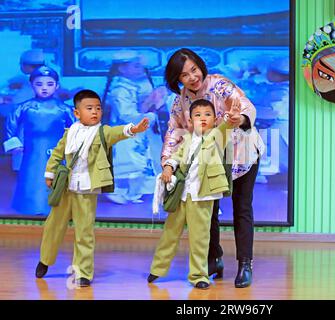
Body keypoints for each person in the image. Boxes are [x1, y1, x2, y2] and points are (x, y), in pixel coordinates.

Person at [162, 48, 265, 288]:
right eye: (184, 75)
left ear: (200, 67)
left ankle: (245, 265)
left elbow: (246, 106)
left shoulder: (219, 85)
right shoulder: (180, 102)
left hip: (241, 153)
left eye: (194, 70)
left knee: (241, 207)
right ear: (177, 80)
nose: (192, 77)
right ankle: (214, 258)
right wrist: (168, 160)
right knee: (207, 210)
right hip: (208, 160)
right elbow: (174, 131)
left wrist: (239, 119)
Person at [35, 89, 150, 287]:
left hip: (87, 190)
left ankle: (83, 272)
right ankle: (45, 260)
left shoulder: (102, 131)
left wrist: (133, 129)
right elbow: (57, 153)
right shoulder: (70, 132)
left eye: (98, 108)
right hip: (66, 187)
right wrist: (50, 173)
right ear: (77, 113)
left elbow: (118, 132)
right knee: (53, 225)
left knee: (84, 232)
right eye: (89, 108)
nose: (95, 112)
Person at [148, 99, 238, 289]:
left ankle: (199, 275)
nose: (203, 118)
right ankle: (157, 268)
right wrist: (168, 168)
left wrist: (230, 120)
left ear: (215, 119)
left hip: (203, 196)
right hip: (182, 194)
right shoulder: (187, 139)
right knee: (170, 233)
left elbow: (225, 128)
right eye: (198, 115)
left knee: (200, 238)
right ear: (190, 120)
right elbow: (176, 157)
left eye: (207, 115)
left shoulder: (217, 137)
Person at [3, 66, 74, 215]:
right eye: (39, 84)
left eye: (49, 84)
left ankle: (57, 206)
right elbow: (11, 124)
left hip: (56, 149)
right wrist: (13, 143)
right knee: (31, 177)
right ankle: (29, 205)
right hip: (32, 150)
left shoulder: (64, 109)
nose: (44, 88)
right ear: (32, 86)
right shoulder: (24, 107)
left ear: (57, 86)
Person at [102, 50, 167, 204]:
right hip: (124, 133)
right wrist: (149, 112)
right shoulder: (120, 90)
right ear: (122, 68)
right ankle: (116, 191)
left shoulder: (134, 86)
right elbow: (126, 115)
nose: (141, 69)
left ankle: (132, 193)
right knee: (126, 164)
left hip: (136, 133)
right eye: (136, 66)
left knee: (140, 163)